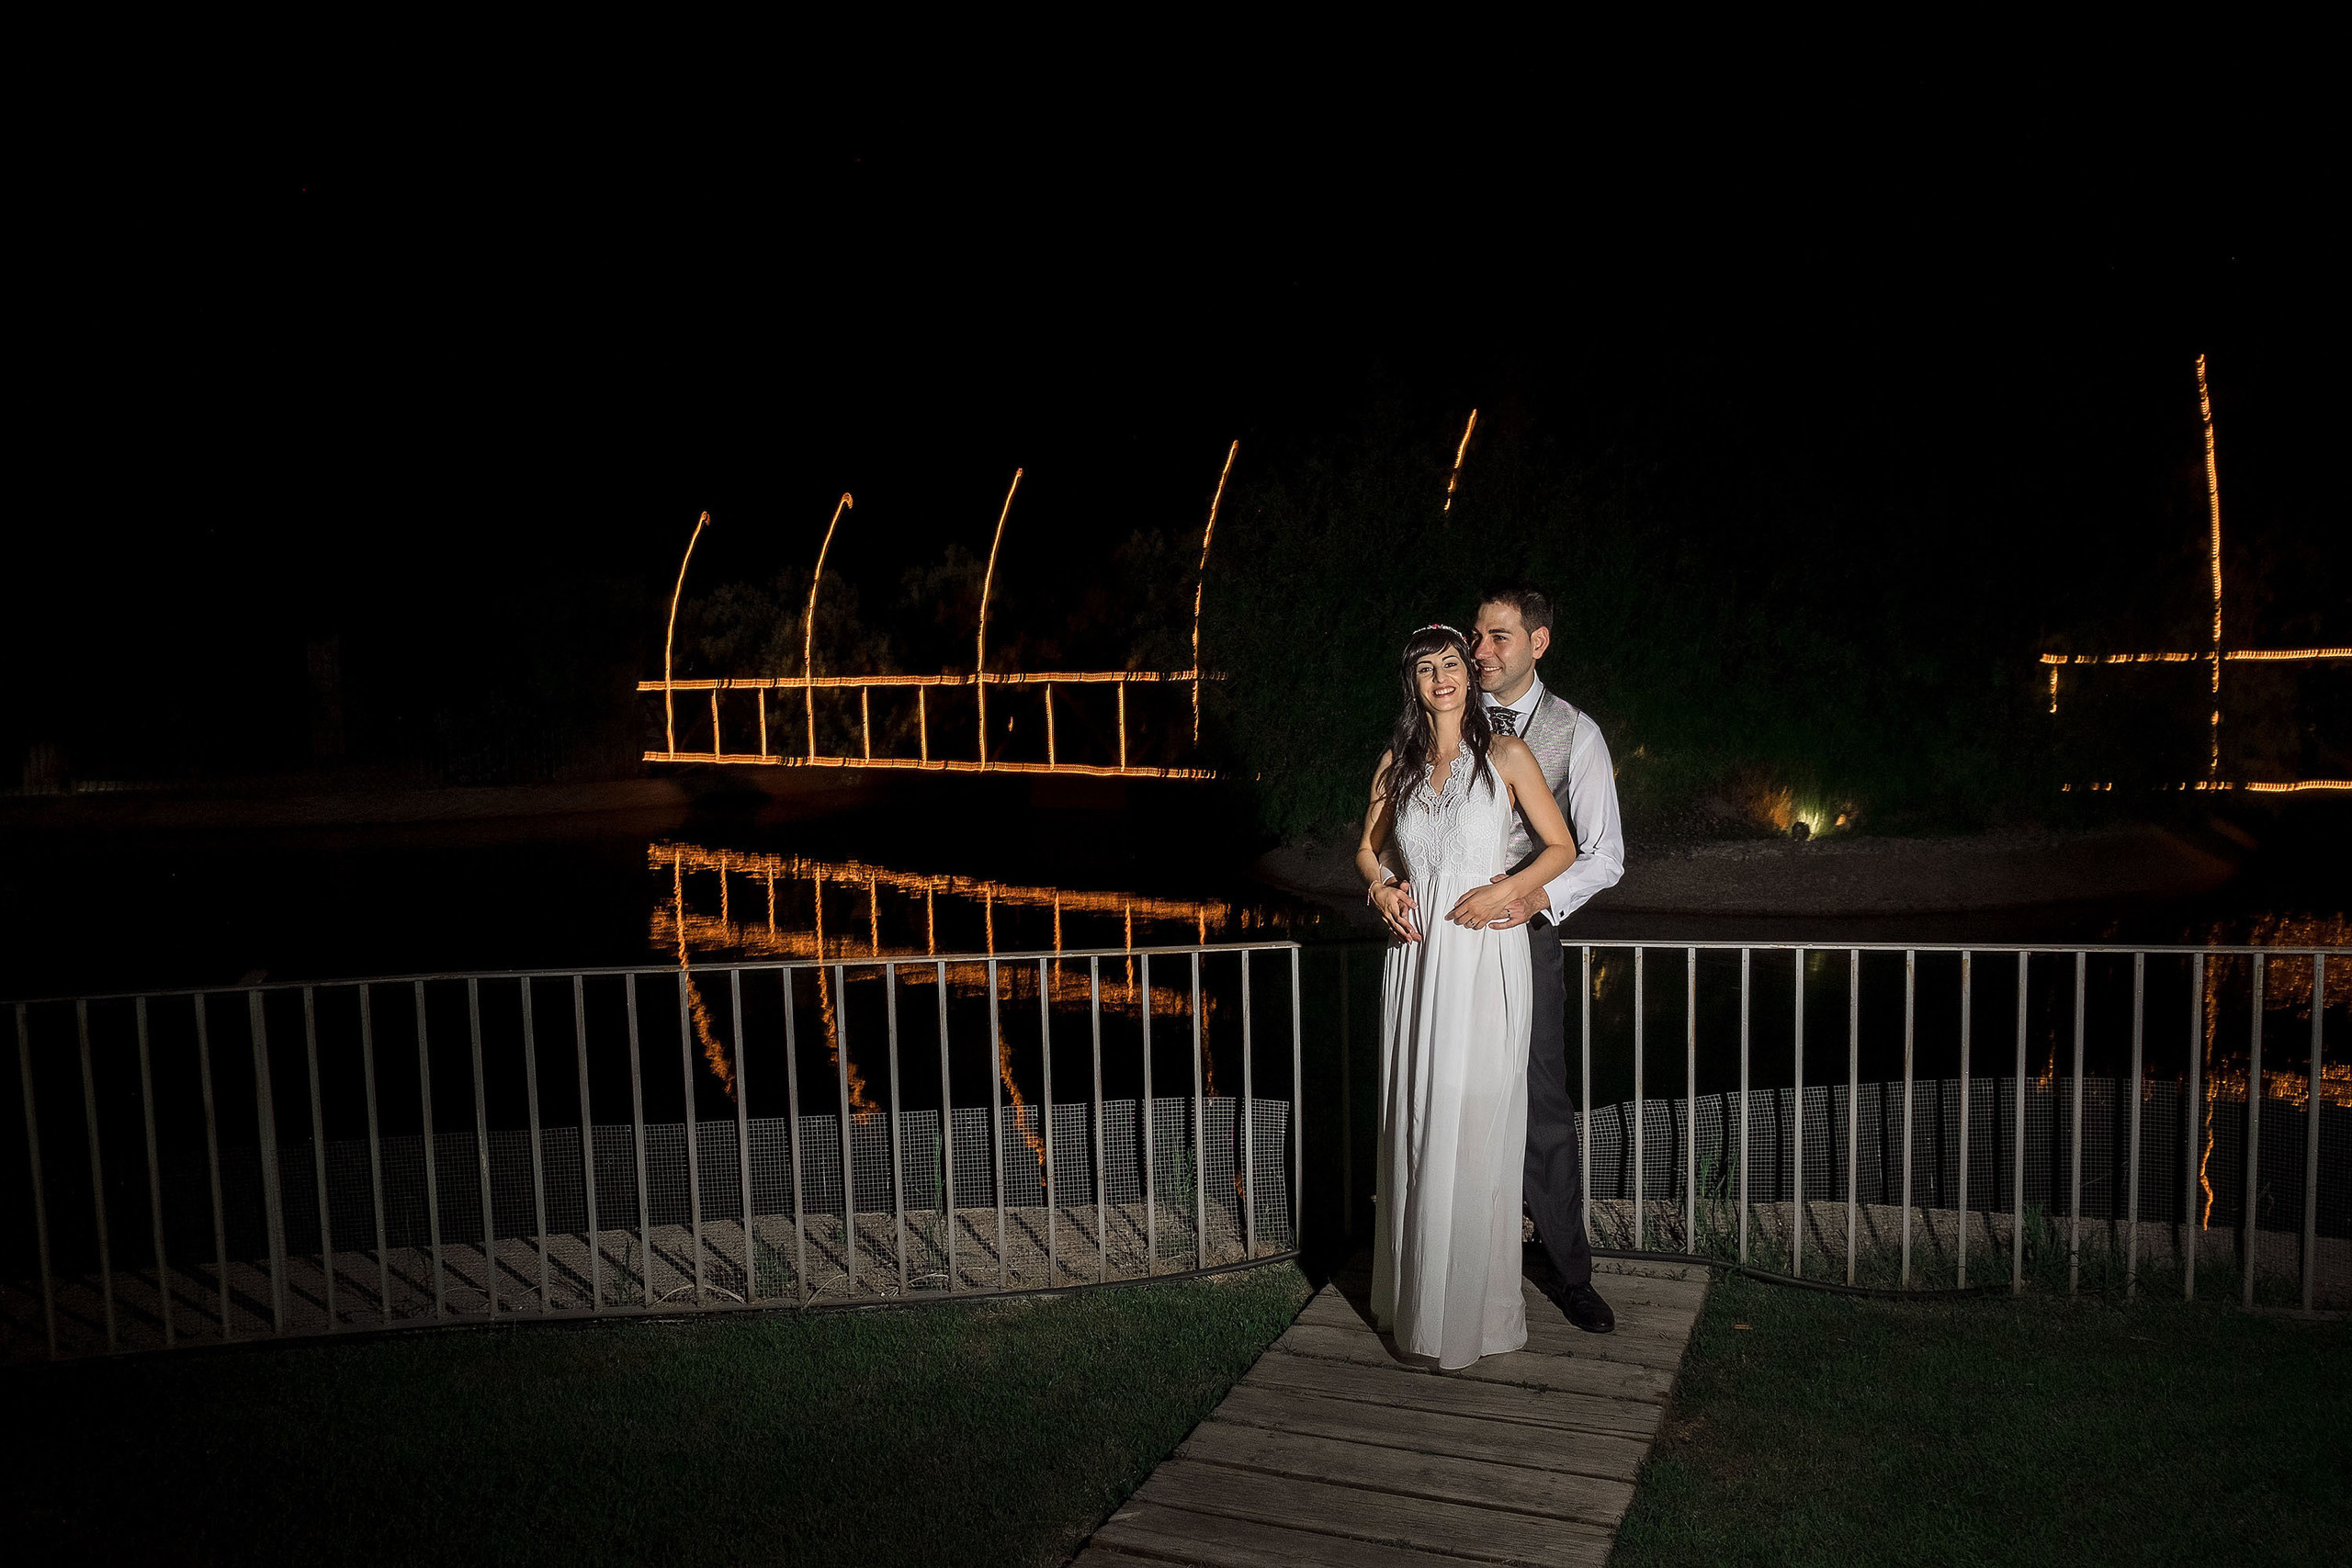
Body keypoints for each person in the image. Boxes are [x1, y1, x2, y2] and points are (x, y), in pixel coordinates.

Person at [1357, 623, 1579, 1368]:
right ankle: (1419, 1304)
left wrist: (1506, 892)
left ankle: (1474, 1315)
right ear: (1413, 683)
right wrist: (1380, 888)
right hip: (1417, 965)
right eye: (1427, 668)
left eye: (1452, 662)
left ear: (1469, 672)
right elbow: (1368, 845)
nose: (1443, 677)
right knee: (1421, 1118)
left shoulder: (1507, 754)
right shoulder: (1400, 763)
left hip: (1485, 959)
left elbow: (1562, 847)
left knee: (1477, 1116)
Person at [1462, 583, 1625, 1332]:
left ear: (1539, 641)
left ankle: (1569, 1274)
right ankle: (1461, 1260)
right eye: (1477, 636)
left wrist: (1533, 900)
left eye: (1498, 637)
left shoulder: (1576, 733)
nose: (1481, 651)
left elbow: (1606, 856)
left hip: (1527, 942)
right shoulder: (1447, 716)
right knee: (1454, 1095)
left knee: (1544, 1111)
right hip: (1447, 942)